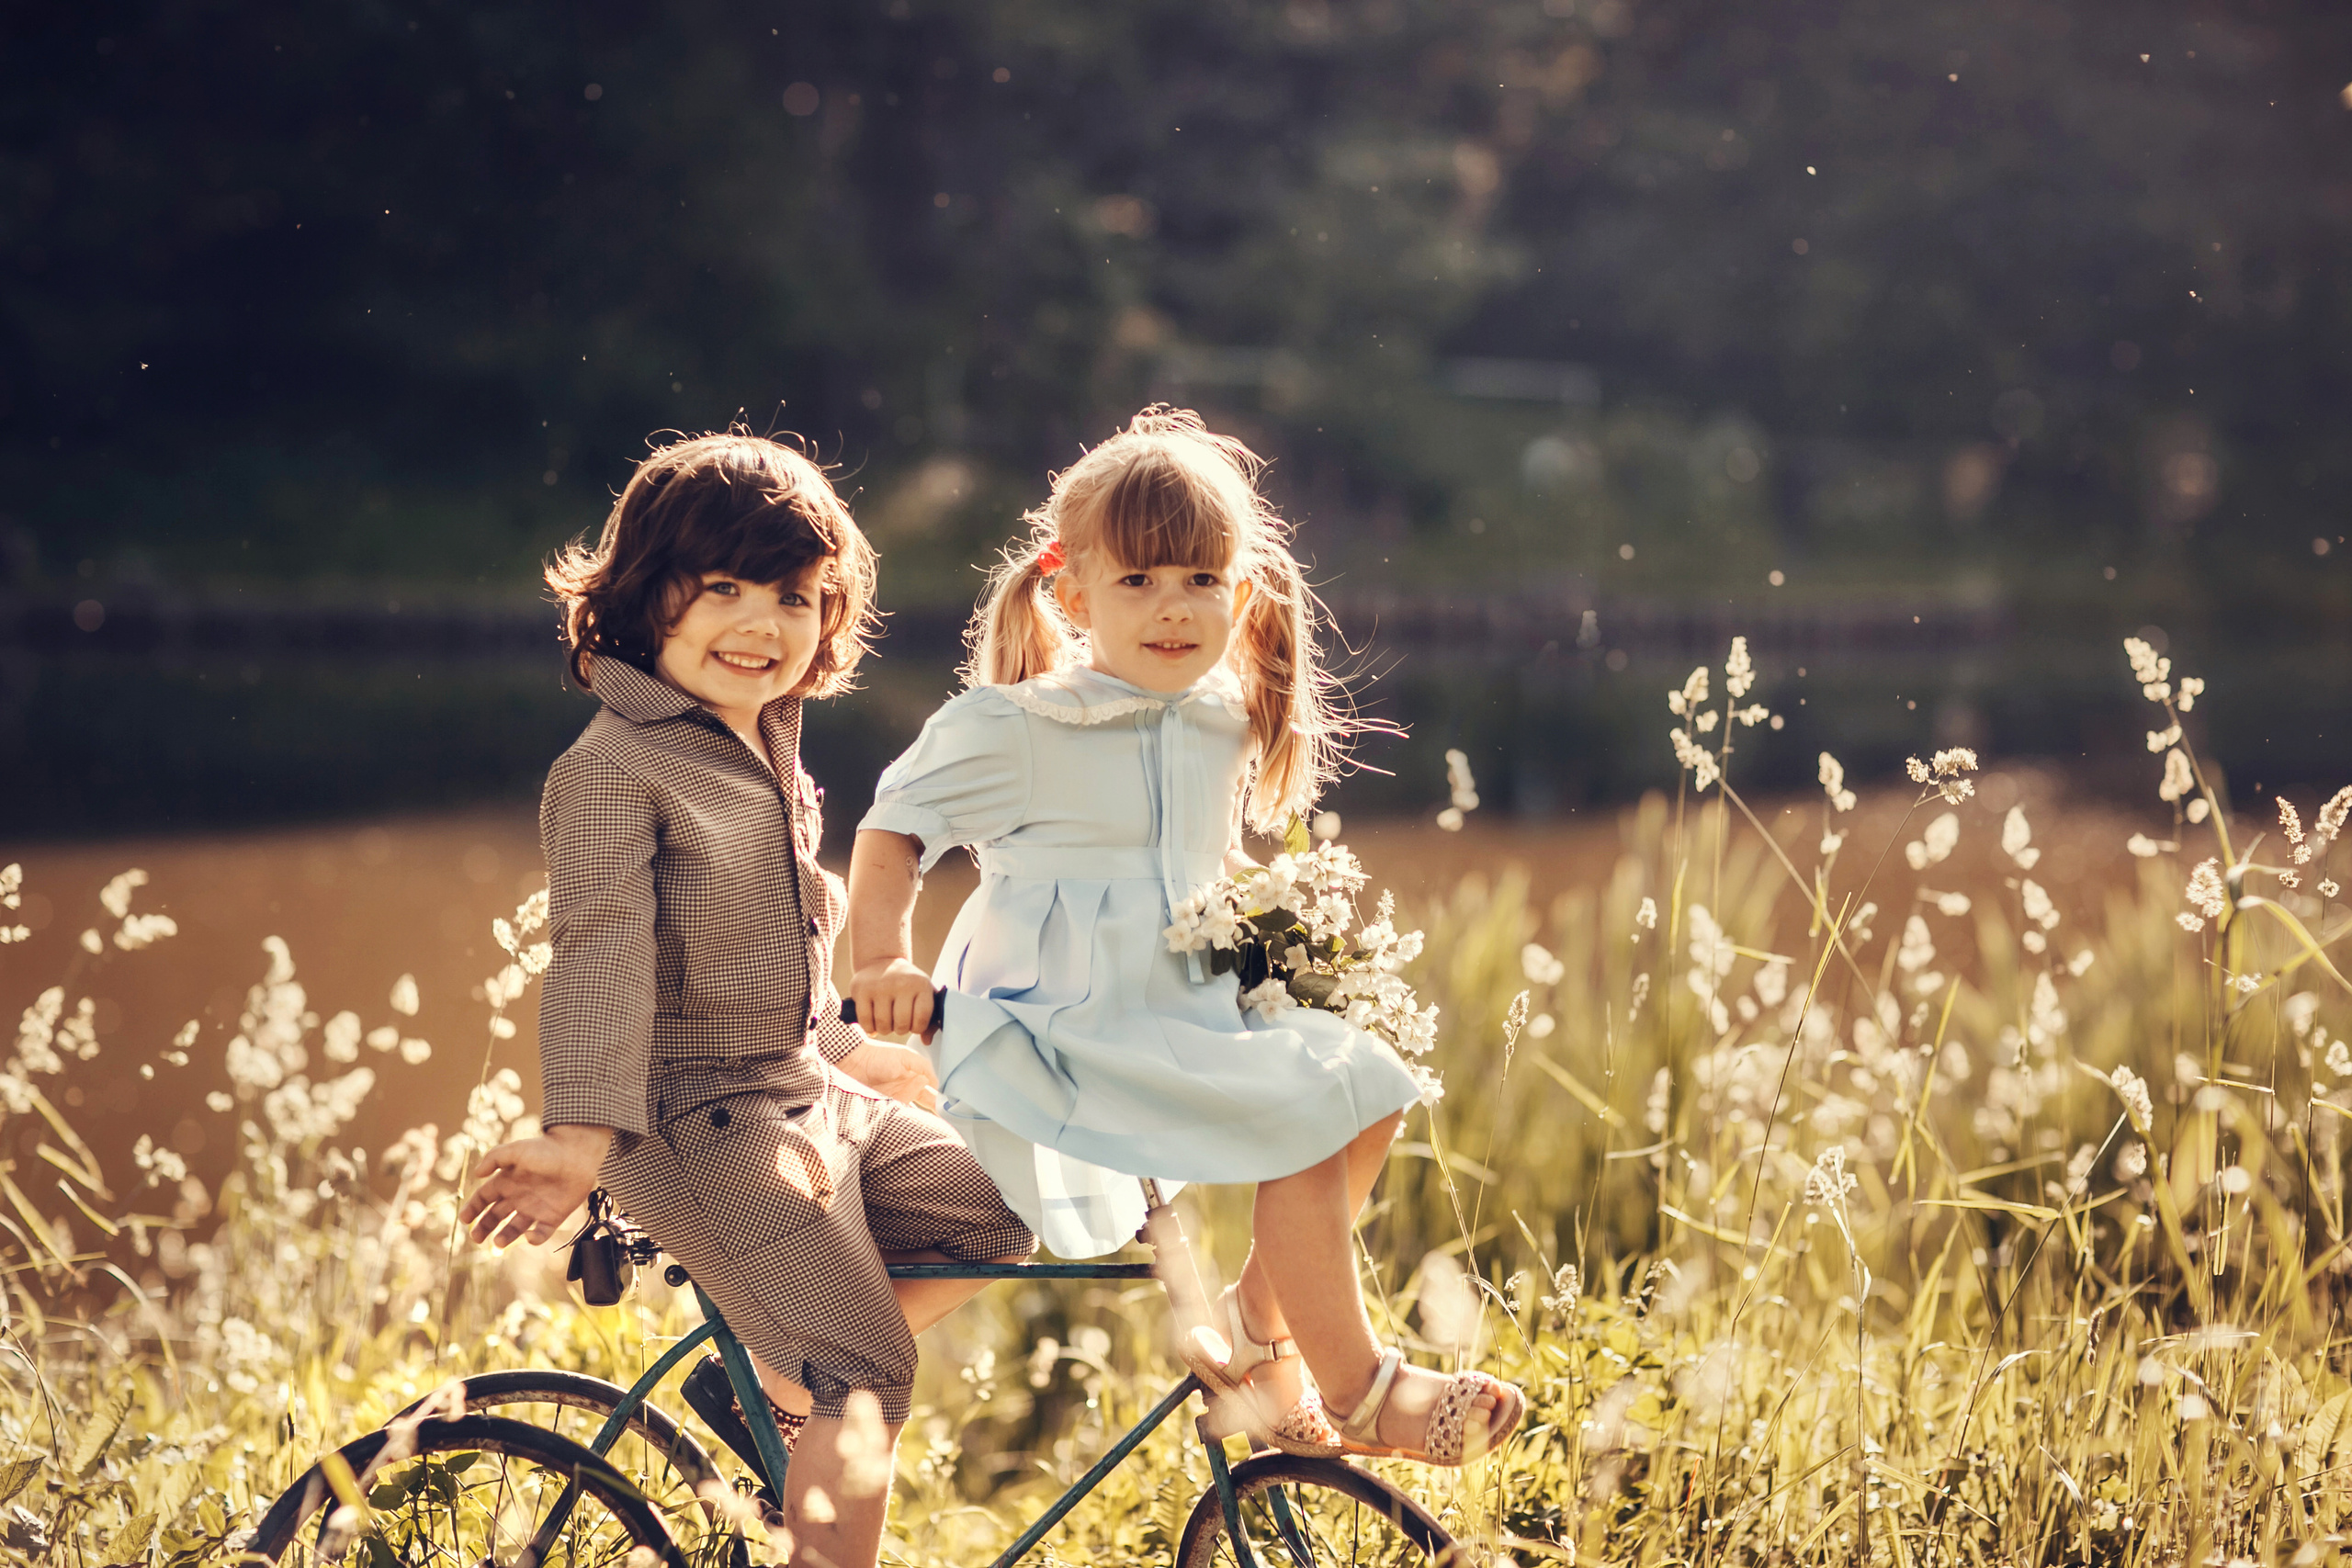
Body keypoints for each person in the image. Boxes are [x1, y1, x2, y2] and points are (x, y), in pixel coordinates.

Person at [845, 407, 1523, 1466]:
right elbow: (891, 833)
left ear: (1239, 592)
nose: (1174, 609)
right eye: (1138, 582)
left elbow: (1185, 876)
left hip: (1176, 1017)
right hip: (1055, 1030)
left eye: (1201, 581)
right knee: (1302, 1114)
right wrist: (881, 958)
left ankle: (1260, 1345)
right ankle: (1357, 1392)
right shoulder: (1018, 727)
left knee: (1368, 1087)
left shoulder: (1216, 721)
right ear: (1071, 594)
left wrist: (1283, 949)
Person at [459, 432, 1035, 1568]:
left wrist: (847, 1043)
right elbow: (601, 954)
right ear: (641, 596)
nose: (763, 625)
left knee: (1011, 1210)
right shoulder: (613, 767)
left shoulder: (765, 739)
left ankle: (762, 1384)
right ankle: (818, 1394)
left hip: (803, 1095)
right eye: (720, 589)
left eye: (795, 596)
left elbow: (770, 938)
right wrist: (579, 1136)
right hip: (693, 1121)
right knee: (866, 1373)